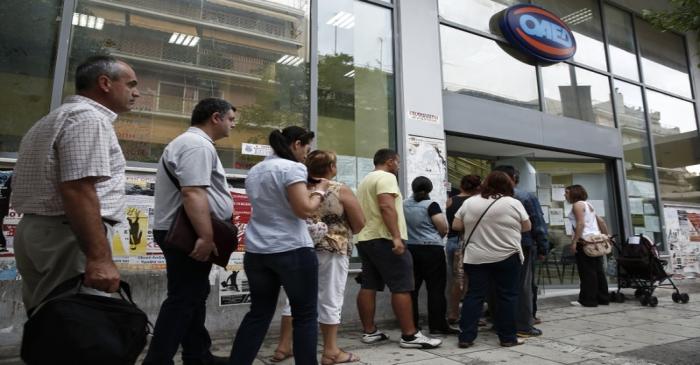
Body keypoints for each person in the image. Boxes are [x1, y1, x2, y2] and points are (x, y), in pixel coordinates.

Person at [11, 55, 139, 313]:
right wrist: (99, 258)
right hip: (67, 236)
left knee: (49, 321)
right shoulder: (88, 118)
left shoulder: (52, 119)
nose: (136, 94)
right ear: (105, 83)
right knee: (77, 325)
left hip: (39, 231)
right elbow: (78, 188)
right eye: (131, 85)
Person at [144, 98, 237, 365]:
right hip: (190, 234)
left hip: (189, 231)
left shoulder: (194, 144)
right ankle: (158, 360)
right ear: (215, 117)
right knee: (184, 298)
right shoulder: (195, 145)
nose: (233, 124)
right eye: (230, 119)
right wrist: (206, 237)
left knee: (194, 295)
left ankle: (198, 354)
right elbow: (192, 191)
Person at [229, 126, 329, 365]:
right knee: (304, 315)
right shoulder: (292, 168)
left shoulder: (256, 170)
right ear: (296, 144)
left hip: (257, 251)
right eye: (307, 148)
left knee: (258, 313)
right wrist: (320, 191)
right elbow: (304, 208)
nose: (307, 154)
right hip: (292, 249)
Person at [271, 150, 365, 364]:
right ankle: (331, 351)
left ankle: (283, 346)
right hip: (333, 249)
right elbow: (359, 223)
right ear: (331, 168)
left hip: (301, 248)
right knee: (330, 297)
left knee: (294, 298)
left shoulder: (298, 188)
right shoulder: (339, 189)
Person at [355, 149, 442, 349]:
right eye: (399, 162)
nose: (399, 166)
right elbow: (387, 206)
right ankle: (410, 336)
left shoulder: (366, 180)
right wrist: (396, 237)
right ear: (390, 161)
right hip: (385, 238)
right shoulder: (386, 177)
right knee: (402, 285)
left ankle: (370, 332)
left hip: (366, 238)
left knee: (368, 284)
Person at [452, 171, 531, 348]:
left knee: (474, 295)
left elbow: (456, 225)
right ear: (508, 185)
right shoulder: (513, 203)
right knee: (507, 296)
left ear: (485, 184)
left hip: (476, 257)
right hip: (507, 256)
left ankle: (466, 337)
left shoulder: (470, 202)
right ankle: (507, 337)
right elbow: (527, 226)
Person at [492, 165, 549, 338]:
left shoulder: (487, 198)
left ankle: (499, 322)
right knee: (523, 286)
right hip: (522, 245)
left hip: (494, 245)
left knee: (498, 286)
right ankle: (524, 325)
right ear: (514, 177)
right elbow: (538, 224)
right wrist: (543, 247)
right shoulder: (525, 196)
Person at [403, 176, 455, 335]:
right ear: (430, 189)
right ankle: (437, 325)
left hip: (410, 249)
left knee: (412, 289)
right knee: (436, 289)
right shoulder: (431, 205)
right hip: (432, 250)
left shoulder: (403, 204)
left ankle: (412, 325)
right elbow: (443, 227)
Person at [444, 175, 481, 325]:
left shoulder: (450, 200)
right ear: (477, 187)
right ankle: (469, 315)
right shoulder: (475, 203)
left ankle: (453, 313)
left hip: (452, 242)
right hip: (468, 243)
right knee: (469, 281)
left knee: (455, 280)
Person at [566, 184, 610, 307]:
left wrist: (575, 241)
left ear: (573, 193)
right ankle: (603, 297)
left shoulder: (577, 205)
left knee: (587, 271)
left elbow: (580, 223)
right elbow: (601, 221)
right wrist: (607, 236)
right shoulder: (589, 205)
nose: (565, 195)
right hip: (596, 241)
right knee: (598, 270)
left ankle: (588, 300)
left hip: (585, 241)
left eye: (567, 192)